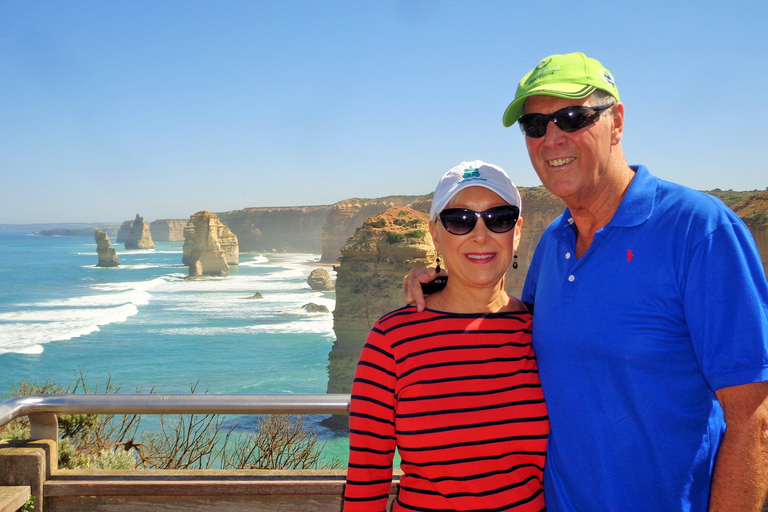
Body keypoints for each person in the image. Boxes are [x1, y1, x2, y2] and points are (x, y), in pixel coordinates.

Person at [403, 53, 768, 511]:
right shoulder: (555, 241)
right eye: (535, 126)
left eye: (572, 117)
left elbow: (753, 419)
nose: (551, 139)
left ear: (616, 122)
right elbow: (515, 323)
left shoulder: (699, 229)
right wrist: (446, 279)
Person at [344, 160, 549, 511]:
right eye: (459, 220)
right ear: (435, 234)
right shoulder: (391, 339)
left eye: (499, 218)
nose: (480, 235)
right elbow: (367, 477)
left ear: (516, 233)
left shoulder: (543, 331)